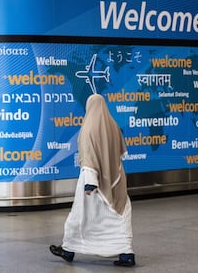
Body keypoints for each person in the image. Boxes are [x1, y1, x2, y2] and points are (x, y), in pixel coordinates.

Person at [50, 94, 135, 267]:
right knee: (119, 216)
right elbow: (119, 151)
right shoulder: (113, 125)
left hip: (94, 183)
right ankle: (127, 254)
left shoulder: (88, 128)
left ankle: (68, 250)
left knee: (80, 217)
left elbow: (88, 158)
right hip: (115, 180)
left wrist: (90, 183)